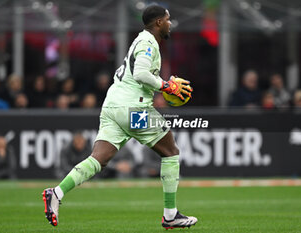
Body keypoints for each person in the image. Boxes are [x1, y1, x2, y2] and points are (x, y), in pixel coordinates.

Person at [42, 4, 197, 230]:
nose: (170, 23)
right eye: (167, 19)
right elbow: (141, 73)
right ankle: (170, 215)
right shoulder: (147, 42)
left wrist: (163, 86)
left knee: (98, 160)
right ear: (158, 22)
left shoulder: (140, 40)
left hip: (112, 107)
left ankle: (56, 192)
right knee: (170, 151)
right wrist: (166, 85)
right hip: (133, 110)